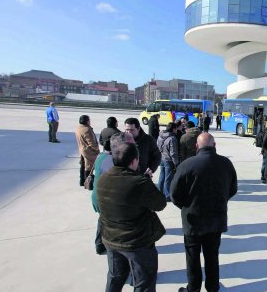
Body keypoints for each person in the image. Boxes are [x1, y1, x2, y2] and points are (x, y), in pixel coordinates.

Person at [170, 133, 237, 292]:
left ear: (196, 146)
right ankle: (212, 287)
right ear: (215, 146)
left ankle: (193, 289)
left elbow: (174, 194)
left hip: (193, 221)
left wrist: (187, 207)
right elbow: (232, 189)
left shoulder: (187, 165)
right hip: (216, 220)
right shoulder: (226, 163)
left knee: (192, 257)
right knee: (212, 256)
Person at [97, 141, 167, 292]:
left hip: (111, 238)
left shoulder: (103, 178)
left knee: (115, 277)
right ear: (134, 161)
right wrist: (146, 180)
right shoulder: (139, 183)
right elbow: (160, 203)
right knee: (144, 282)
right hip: (137, 242)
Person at [91, 132, 136, 255]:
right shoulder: (110, 160)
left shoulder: (102, 156)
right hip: (105, 198)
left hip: (99, 195)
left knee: (103, 220)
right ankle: (103, 245)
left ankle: (100, 244)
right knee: (106, 221)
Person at [157, 122, 180, 201]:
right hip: (169, 160)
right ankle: (167, 195)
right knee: (168, 179)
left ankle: (159, 192)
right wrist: (176, 163)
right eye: (176, 129)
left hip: (162, 158)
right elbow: (173, 153)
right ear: (174, 129)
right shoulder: (172, 138)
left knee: (161, 176)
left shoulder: (160, 136)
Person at [76, 115, 100, 187]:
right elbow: (91, 142)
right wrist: (96, 148)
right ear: (86, 121)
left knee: (83, 165)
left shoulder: (78, 128)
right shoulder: (86, 130)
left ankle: (82, 181)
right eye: (89, 120)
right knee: (89, 167)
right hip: (89, 151)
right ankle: (88, 183)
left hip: (82, 149)